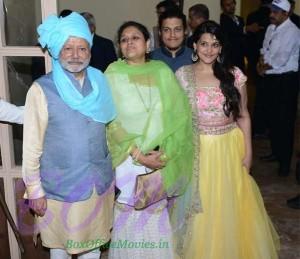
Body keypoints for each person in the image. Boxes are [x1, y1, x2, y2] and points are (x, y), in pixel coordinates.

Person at [176, 20, 280, 259]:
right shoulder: (182, 76)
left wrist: (248, 153)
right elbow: (177, 119)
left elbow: (243, 116)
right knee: (201, 206)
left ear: (221, 48)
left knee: (229, 205)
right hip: (197, 149)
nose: (209, 49)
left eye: (215, 44)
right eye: (204, 44)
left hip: (229, 148)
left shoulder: (234, 75)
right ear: (194, 45)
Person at [22, 12, 116, 259]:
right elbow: (31, 146)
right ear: (56, 51)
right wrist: (34, 190)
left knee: (93, 248)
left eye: (82, 48)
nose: (75, 55)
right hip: (60, 188)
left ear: (90, 51)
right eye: (68, 48)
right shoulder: (41, 89)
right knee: (60, 249)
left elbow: (108, 130)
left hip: (97, 184)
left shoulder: (100, 81)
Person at [105, 21, 198, 259]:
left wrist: (164, 155)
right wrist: (138, 155)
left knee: (154, 211)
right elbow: (109, 121)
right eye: (124, 39)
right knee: (130, 212)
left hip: (158, 157)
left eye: (135, 37)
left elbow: (178, 117)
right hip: (127, 156)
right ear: (119, 46)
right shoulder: (112, 74)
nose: (129, 42)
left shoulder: (162, 71)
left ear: (147, 44)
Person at [258, 0, 300, 176]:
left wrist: (263, 66)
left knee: (285, 122)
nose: (271, 14)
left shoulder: (293, 31)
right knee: (273, 118)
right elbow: (264, 49)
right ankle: (275, 152)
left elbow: (280, 59)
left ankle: (284, 162)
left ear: (286, 14)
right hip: (271, 77)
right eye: (271, 11)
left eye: (276, 12)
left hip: (286, 80)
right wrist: (260, 62)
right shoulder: (270, 28)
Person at [245, 0, 271, 137]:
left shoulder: (251, 16)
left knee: (255, 97)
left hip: (255, 61)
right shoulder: (274, 18)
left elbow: (248, 42)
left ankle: (256, 128)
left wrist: (251, 59)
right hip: (269, 64)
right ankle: (264, 127)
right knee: (267, 98)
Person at [220, 0, 245, 71]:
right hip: (230, 57)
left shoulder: (240, 19)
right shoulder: (222, 20)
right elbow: (230, 33)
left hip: (241, 57)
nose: (231, 6)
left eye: (232, 3)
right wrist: (245, 29)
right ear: (222, 7)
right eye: (228, 5)